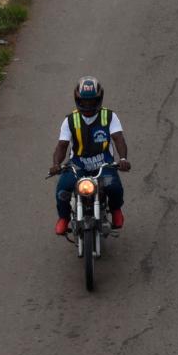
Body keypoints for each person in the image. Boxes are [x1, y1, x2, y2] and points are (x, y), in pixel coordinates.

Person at [48, 76, 130, 237]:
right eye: (84, 101)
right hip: (77, 165)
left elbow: (119, 138)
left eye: (92, 101)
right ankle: (64, 218)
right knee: (62, 189)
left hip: (104, 164)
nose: (88, 105)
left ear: (99, 99)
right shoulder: (70, 120)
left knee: (114, 187)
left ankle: (116, 210)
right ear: (77, 99)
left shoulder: (109, 116)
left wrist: (123, 159)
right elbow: (62, 146)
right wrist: (56, 164)